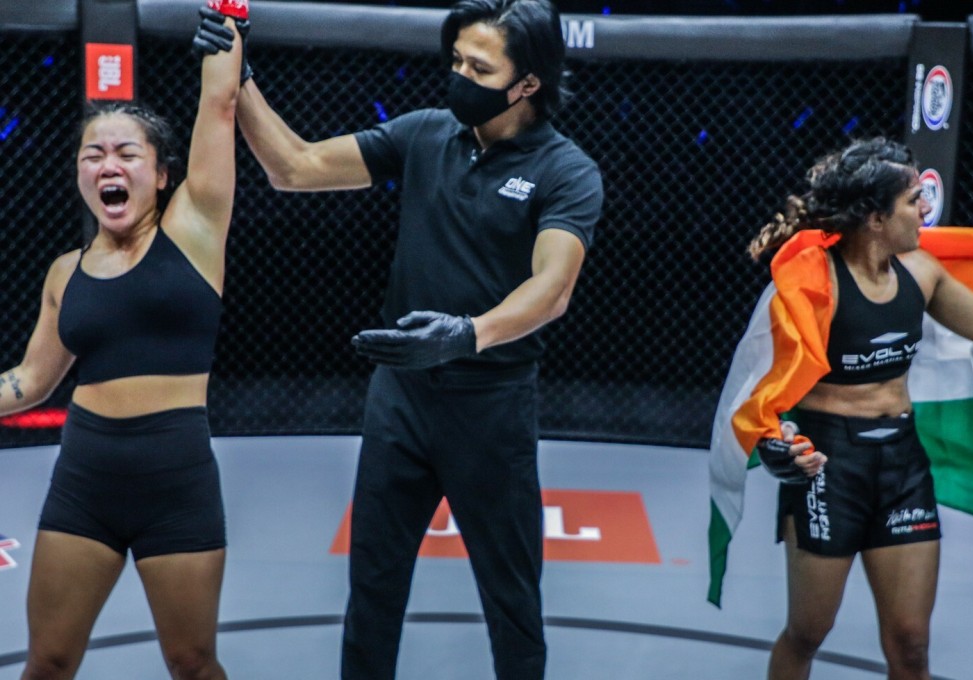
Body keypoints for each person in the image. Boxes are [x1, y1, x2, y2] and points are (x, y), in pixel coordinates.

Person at [193, 0, 602, 677]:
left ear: (528, 82)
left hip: (491, 405)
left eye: (479, 67)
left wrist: (465, 336)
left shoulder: (567, 170)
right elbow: (293, 167)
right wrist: (241, 77)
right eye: (456, 61)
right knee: (373, 593)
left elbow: (551, 289)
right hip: (400, 401)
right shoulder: (425, 134)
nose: (460, 75)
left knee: (512, 600)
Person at [2, 6, 246, 679]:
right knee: (47, 661)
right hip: (85, 481)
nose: (107, 163)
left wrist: (228, 21)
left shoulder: (194, 232)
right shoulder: (64, 272)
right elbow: (30, 380)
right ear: (82, 174)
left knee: (193, 663)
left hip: (176, 478)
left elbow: (221, 106)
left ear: (161, 175)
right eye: (93, 153)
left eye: (126, 152)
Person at [742, 137, 973, 680]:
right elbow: (769, 383)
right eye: (914, 199)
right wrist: (774, 441)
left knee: (912, 644)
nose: (925, 210)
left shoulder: (922, 271)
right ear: (874, 216)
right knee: (807, 633)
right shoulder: (811, 280)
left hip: (901, 465)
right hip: (828, 466)